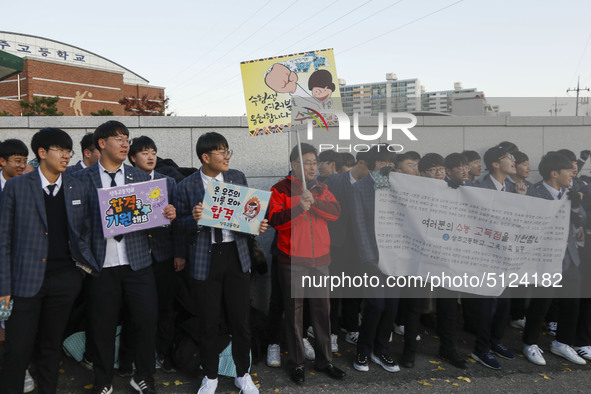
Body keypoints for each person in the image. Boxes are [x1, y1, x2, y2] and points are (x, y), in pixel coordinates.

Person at [74, 120, 175, 394]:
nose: (124, 143)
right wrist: (86, 262)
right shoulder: (80, 179)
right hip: (100, 266)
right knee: (101, 326)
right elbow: (75, 226)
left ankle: (143, 375)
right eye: (118, 138)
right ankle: (103, 380)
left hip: (138, 263)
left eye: (126, 138)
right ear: (101, 143)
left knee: (145, 320)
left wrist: (166, 216)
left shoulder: (141, 178)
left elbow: (152, 222)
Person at [0, 128, 97, 394]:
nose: (66, 156)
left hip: (65, 280)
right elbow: (3, 238)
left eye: (69, 151)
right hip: (24, 282)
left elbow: (87, 228)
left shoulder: (78, 185)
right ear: (42, 153)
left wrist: (81, 270)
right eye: (60, 150)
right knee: (18, 348)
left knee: (51, 347)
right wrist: (4, 288)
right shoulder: (16, 186)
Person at [175, 132, 266, 394]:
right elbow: (176, 225)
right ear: (205, 157)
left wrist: (257, 223)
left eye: (228, 151)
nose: (227, 157)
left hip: (236, 255)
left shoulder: (237, 177)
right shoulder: (187, 186)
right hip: (206, 258)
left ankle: (242, 373)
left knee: (240, 319)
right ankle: (210, 375)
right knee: (208, 321)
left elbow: (248, 215)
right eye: (221, 152)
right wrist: (193, 218)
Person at [269, 143, 345, 385]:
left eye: (315, 162)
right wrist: (299, 207)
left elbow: (335, 212)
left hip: (321, 260)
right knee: (294, 314)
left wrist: (316, 202)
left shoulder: (322, 187)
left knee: (323, 312)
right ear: (294, 165)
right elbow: (274, 220)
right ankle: (297, 363)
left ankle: (325, 361)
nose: (313, 167)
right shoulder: (280, 189)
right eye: (308, 162)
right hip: (292, 260)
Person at [522, 152, 587, 366]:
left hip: (570, 257)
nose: (572, 174)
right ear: (554, 173)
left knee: (571, 303)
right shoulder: (535, 193)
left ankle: (562, 343)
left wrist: (576, 206)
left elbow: (582, 219)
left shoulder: (570, 191)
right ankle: (530, 342)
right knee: (542, 301)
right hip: (546, 258)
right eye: (568, 170)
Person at [124, 136, 180, 373]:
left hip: (163, 255)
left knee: (166, 307)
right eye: (144, 152)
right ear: (133, 158)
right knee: (132, 311)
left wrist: (179, 253)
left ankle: (163, 353)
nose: (150, 157)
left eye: (153, 152)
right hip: (134, 256)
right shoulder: (124, 183)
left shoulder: (168, 182)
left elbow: (179, 223)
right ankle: (128, 359)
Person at [350, 144, 401, 374]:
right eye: (382, 161)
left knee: (391, 306)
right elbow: (359, 226)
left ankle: (381, 350)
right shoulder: (360, 187)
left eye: (391, 161)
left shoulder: (397, 185)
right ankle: (362, 349)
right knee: (375, 304)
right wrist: (370, 259)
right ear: (371, 164)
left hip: (395, 257)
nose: (388, 165)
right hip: (371, 258)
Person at [418, 153, 467, 369]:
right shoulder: (412, 188)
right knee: (414, 305)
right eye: (432, 170)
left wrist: (460, 188)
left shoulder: (455, 187)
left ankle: (448, 348)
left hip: (447, 256)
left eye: (441, 169)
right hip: (418, 255)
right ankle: (409, 349)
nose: (438, 174)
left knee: (448, 305)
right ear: (421, 173)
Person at [324, 151, 370, 352]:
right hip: (337, 244)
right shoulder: (334, 180)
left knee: (355, 288)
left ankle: (352, 327)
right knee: (333, 290)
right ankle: (332, 332)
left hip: (361, 246)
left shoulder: (374, 183)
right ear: (361, 163)